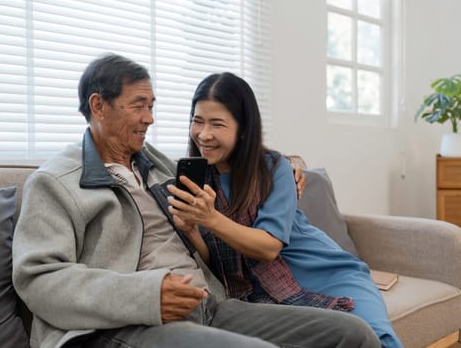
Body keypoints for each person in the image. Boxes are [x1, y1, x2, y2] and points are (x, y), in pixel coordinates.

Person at [11, 53, 382, 348]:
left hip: (209, 306)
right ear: (98, 106)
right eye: (139, 105)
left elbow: (240, 165)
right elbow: (38, 280)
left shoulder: (160, 169)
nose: (150, 118)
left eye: (153, 106)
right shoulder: (55, 183)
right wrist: (145, 295)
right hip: (127, 324)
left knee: (352, 333)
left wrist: (286, 164)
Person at [167, 72, 403, 348]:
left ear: (243, 129)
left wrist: (211, 218)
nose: (203, 135)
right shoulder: (196, 179)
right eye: (197, 121)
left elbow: (268, 247)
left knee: (376, 340)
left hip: (328, 273)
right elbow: (214, 257)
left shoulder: (275, 169)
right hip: (260, 292)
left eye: (217, 124)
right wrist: (192, 230)